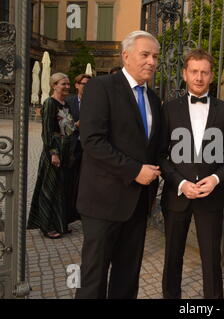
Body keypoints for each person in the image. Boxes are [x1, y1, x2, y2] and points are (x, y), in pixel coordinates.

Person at [75, 30, 161, 299]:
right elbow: (92, 141)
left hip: (137, 205)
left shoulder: (154, 100)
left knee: (127, 277)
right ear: (126, 56)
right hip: (102, 202)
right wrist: (135, 170)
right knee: (93, 277)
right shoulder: (101, 88)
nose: (151, 61)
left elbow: (155, 149)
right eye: (144, 54)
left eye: (155, 56)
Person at [159, 49, 224, 299]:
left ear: (212, 76)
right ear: (185, 74)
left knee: (211, 259)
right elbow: (160, 155)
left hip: (211, 198)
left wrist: (215, 179)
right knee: (172, 256)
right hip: (176, 196)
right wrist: (181, 182)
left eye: (204, 72)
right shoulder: (169, 109)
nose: (199, 77)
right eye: (194, 71)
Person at [28, 72, 78, 239]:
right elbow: (48, 131)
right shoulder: (50, 103)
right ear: (54, 85)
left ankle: (60, 224)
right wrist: (53, 153)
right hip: (54, 153)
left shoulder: (66, 104)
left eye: (68, 84)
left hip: (65, 152)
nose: (67, 87)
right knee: (49, 189)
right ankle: (46, 226)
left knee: (61, 189)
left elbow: (68, 128)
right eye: (63, 84)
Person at [65, 74, 91, 217]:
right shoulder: (69, 102)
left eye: (88, 84)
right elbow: (64, 127)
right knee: (71, 180)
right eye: (83, 84)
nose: (86, 87)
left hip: (88, 148)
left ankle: (82, 211)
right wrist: (76, 125)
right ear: (76, 85)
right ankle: (70, 211)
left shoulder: (95, 102)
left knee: (85, 181)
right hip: (73, 146)